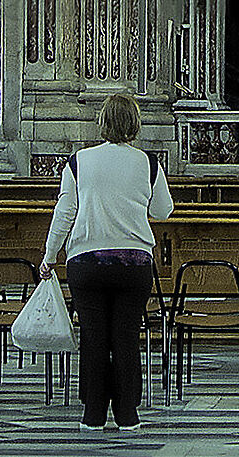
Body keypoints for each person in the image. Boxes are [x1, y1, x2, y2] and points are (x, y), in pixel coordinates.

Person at [42, 92, 175, 430]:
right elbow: (163, 210)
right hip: (134, 262)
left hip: (87, 261)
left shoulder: (79, 161)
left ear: (101, 123)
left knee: (93, 336)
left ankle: (93, 415)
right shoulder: (148, 163)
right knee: (126, 337)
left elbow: (64, 213)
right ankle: (128, 415)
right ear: (135, 124)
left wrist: (49, 256)